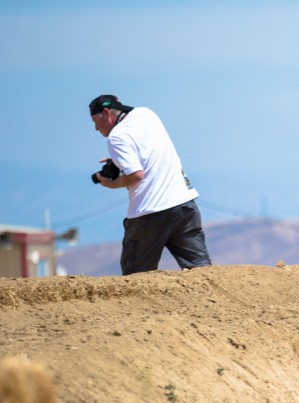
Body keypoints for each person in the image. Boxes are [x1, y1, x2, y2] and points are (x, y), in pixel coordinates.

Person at [88, 94, 211, 275]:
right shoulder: (146, 114)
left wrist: (110, 183)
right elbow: (149, 150)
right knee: (202, 272)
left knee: (136, 278)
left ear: (106, 113)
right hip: (184, 204)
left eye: (95, 121)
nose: (95, 128)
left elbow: (137, 175)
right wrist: (119, 160)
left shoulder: (116, 137)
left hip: (149, 213)